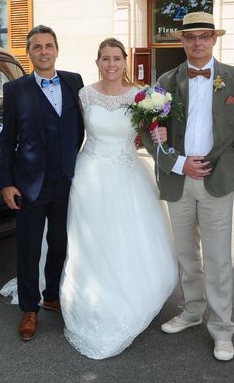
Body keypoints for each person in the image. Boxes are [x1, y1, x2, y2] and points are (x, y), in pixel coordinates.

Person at [141, 12, 234, 361]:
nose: (198, 42)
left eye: (204, 36)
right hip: (178, 177)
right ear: (182, 41)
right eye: (191, 37)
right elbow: (149, 130)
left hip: (217, 180)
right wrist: (178, 162)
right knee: (186, 254)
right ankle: (192, 311)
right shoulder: (166, 80)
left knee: (219, 258)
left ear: (214, 39)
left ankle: (222, 328)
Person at [59, 38, 178, 359]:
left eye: (116, 58)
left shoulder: (140, 96)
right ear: (97, 62)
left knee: (126, 237)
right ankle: (91, 293)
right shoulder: (84, 94)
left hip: (127, 173)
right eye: (105, 59)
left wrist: (158, 133)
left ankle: (132, 293)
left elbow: (149, 132)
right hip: (90, 175)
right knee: (92, 239)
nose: (111, 64)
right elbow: (72, 134)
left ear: (125, 61)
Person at [0, 25, 85, 341]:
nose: (44, 51)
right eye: (37, 47)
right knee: (29, 247)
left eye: (49, 45)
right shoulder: (15, 90)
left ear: (57, 49)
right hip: (29, 184)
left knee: (61, 243)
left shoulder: (74, 82)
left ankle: (51, 296)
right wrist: (6, 182)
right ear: (29, 53)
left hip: (67, 180)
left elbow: (83, 127)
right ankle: (29, 308)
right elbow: (7, 140)